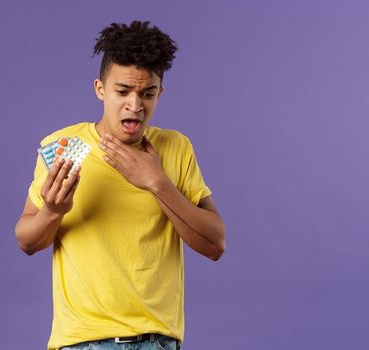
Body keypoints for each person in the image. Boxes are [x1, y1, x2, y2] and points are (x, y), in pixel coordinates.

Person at [14, 21, 226, 350]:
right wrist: (53, 211)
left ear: (160, 93)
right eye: (123, 91)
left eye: (147, 93)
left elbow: (215, 244)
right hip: (82, 341)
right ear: (100, 89)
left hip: (157, 341)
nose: (135, 105)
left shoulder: (175, 148)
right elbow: (26, 241)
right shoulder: (66, 146)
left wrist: (157, 183)